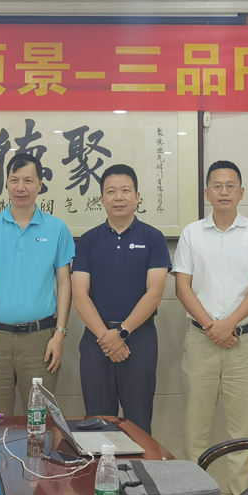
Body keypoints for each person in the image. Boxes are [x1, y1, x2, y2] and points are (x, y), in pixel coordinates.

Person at [173, 159, 248, 495]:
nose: (224, 191)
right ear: (207, 193)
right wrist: (211, 327)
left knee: (243, 432)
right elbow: (182, 288)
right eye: (217, 186)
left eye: (231, 185)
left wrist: (228, 324)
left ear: (241, 192)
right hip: (200, 342)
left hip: (243, 344)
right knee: (195, 428)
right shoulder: (191, 233)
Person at [0, 152, 75, 416]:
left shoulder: (57, 229)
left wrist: (59, 334)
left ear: (40, 185)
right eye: (14, 180)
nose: (20, 187)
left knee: (39, 422)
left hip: (41, 341)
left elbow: (64, 284)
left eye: (28, 180)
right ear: (6, 184)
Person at [71, 165, 171, 434]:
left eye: (125, 190)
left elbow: (155, 293)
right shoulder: (88, 241)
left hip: (139, 339)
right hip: (97, 341)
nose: (118, 197)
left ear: (137, 197)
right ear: (101, 199)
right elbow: (79, 294)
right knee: (97, 423)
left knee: (139, 423)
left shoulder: (153, 238)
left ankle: (140, 465)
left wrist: (122, 333)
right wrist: (107, 337)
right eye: (111, 191)